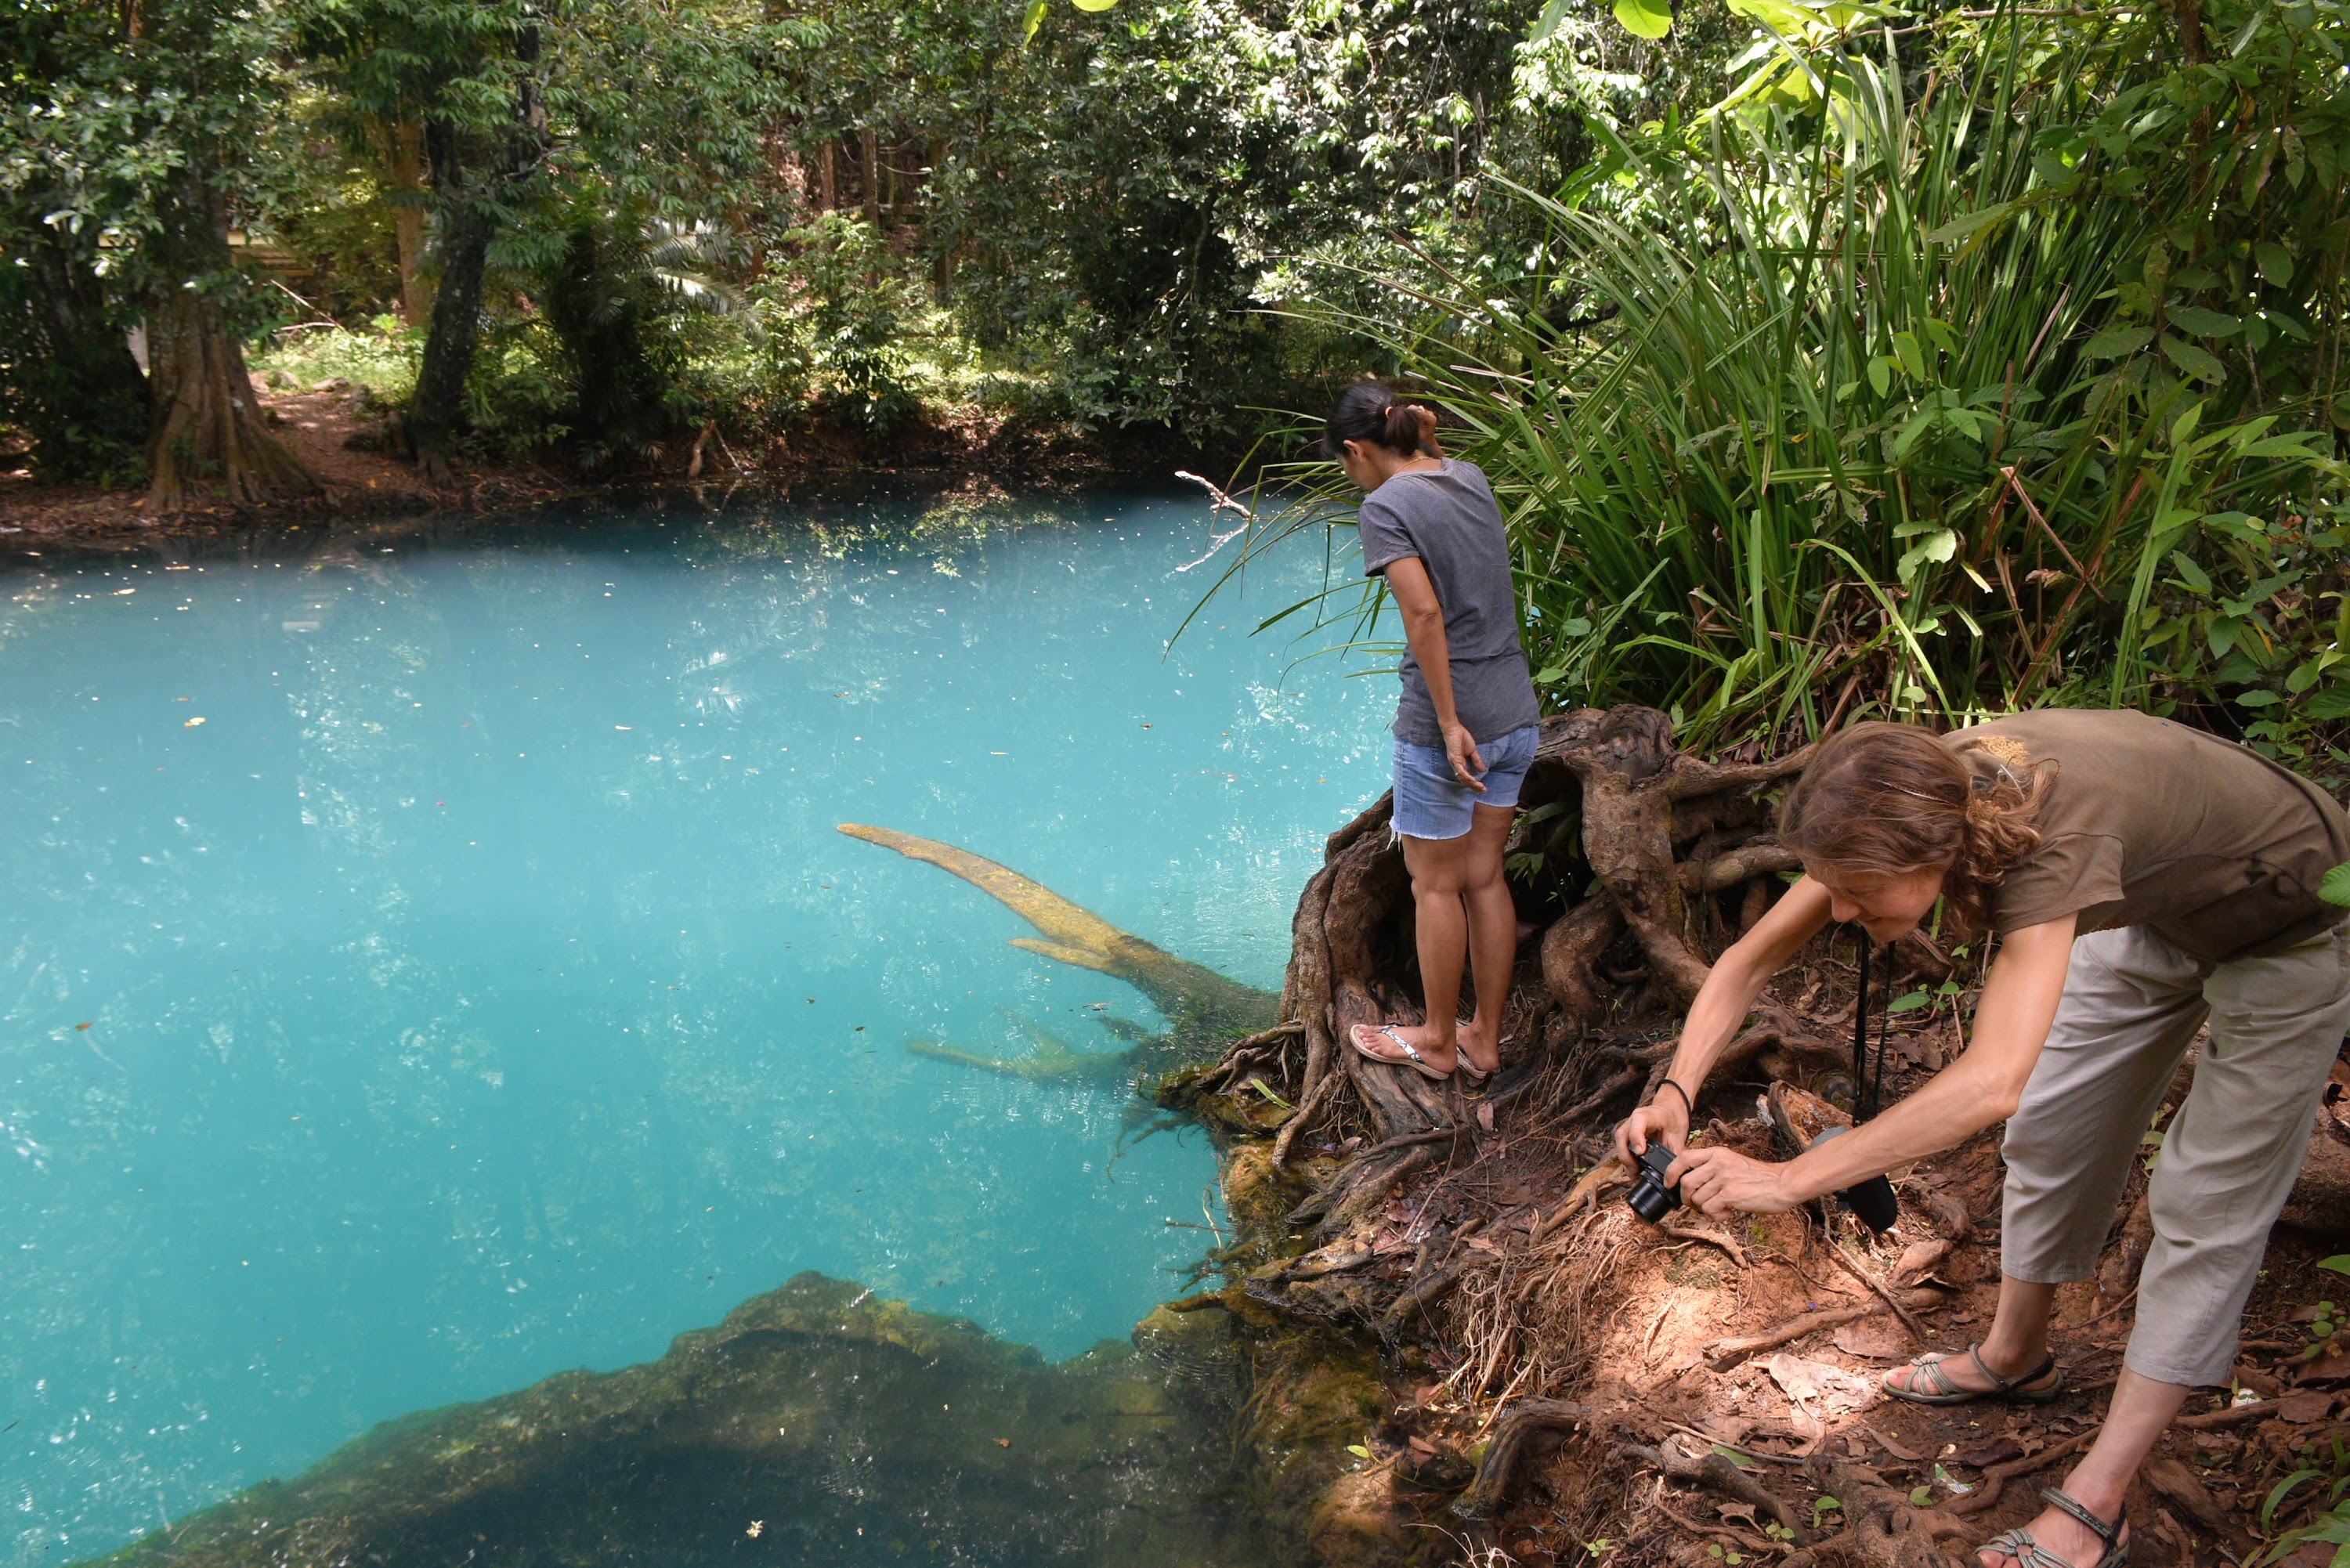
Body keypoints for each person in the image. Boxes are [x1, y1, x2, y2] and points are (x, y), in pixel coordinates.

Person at [1612, 710, 2350, 1568]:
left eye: (1855, 890)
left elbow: (1994, 1078)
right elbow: (1747, 960)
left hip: (2294, 921)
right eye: (1831, 885)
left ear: (1924, 856)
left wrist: (1787, 1181)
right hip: (2157, 903)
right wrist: (1675, 1089)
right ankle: (2015, 1355)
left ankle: (2096, 1504)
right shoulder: (1897, 803)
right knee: (2055, 1131)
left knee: (2203, 1200)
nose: (1840, 910)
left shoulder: (2048, 845)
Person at [1326, 379, 1542, 1083]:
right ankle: (1486, 1037)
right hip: (1515, 709)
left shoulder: (1383, 507)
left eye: (1345, 463)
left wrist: (1449, 724)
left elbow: (1423, 616)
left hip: (1453, 724)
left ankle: (1442, 1041)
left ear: (1359, 449)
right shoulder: (1467, 476)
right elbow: (1443, 498)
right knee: (1484, 877)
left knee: (1435, 886)